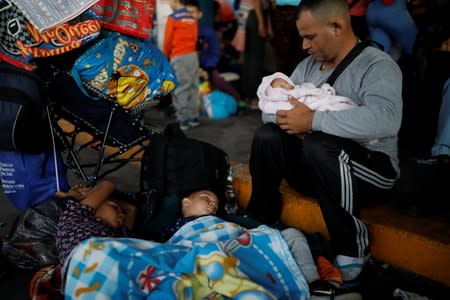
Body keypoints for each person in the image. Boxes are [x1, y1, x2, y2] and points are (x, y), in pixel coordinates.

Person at [245, 0, 402, 287]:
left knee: (320, 143)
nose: (304, 46)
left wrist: (312, 120)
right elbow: (272, 107)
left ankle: (353, 248)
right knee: (267, 136)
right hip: (319, 170)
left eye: (309, 37)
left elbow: (386, 119)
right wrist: (291, 118)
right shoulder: (308, 67)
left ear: (336, 26)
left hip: (371, 173)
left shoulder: (377, 65)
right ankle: (260, 221)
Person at [159, 189, 359, 298]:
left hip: (239, 247)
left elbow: (243, 232)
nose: (212, 204)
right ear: (186, 202)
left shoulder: (222, 220)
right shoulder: (174, 229)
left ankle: (315, 285)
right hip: (213, 255)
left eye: (215, 204)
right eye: (206, 198)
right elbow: (170, 251)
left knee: (291, 234)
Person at [56, 181, 136, 266]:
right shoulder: (74, 217)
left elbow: (131, 209)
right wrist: (85, 196)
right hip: (83, 265)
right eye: (115, 207)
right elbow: (108, 185)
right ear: (95, 206)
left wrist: (87, 195)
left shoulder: (119, 233)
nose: (122, 215)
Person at [184, 0, 242, 103]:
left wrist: (206, 68)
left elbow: (215, 53)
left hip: (207, 66)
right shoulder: (181, 31)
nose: (190, 15)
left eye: (193, 12)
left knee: (217, 79)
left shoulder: (208, 31)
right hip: (187, 67)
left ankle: (237, 100)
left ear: (200, 14)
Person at [257, 72, 360, 125]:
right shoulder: (278, 102)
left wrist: (311, 90)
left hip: (318, 106)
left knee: (338, 106)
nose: (287, 86)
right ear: (273, 93)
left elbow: (307, 89)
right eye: (282, 87)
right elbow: (268, 112)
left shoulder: (297, 89)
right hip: (312, 108)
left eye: (286, 82)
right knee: (266, 133)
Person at [163, 0, 200, 131]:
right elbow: (195, 37)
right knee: (193, 85)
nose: (169, 4)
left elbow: (167, 40)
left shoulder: (173, 18)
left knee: (181, 87)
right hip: (192, 56)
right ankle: (193, 118)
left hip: (179, 56)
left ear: (176, 1)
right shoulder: (191, 17)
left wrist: (166, 56)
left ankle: (183, 120)